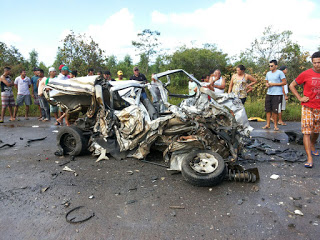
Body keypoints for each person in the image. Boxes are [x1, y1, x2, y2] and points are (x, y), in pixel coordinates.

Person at [289, 51, 320, 168]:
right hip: (307, 107)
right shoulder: (306, 74)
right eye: (315, 63)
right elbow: (292, 85)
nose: (317, 65)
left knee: (316, 131)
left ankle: (312, 144)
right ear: (312, 62)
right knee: (306, 132)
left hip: (319, 108)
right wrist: (300, 97)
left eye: (319, 62)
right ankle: (309, 158)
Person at [262, 60, 286, 131]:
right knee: (267, 109)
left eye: (272, 66)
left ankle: (275, 126)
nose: (270, 67)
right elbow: (266, 82)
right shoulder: (268, 73)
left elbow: (284, 82)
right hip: (269, 93)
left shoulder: (280, 73)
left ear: (276, 66)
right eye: (269, 66)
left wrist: (274, 84)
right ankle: (268, 124)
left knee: (275, 111)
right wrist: (267, 85)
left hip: (277, 94)